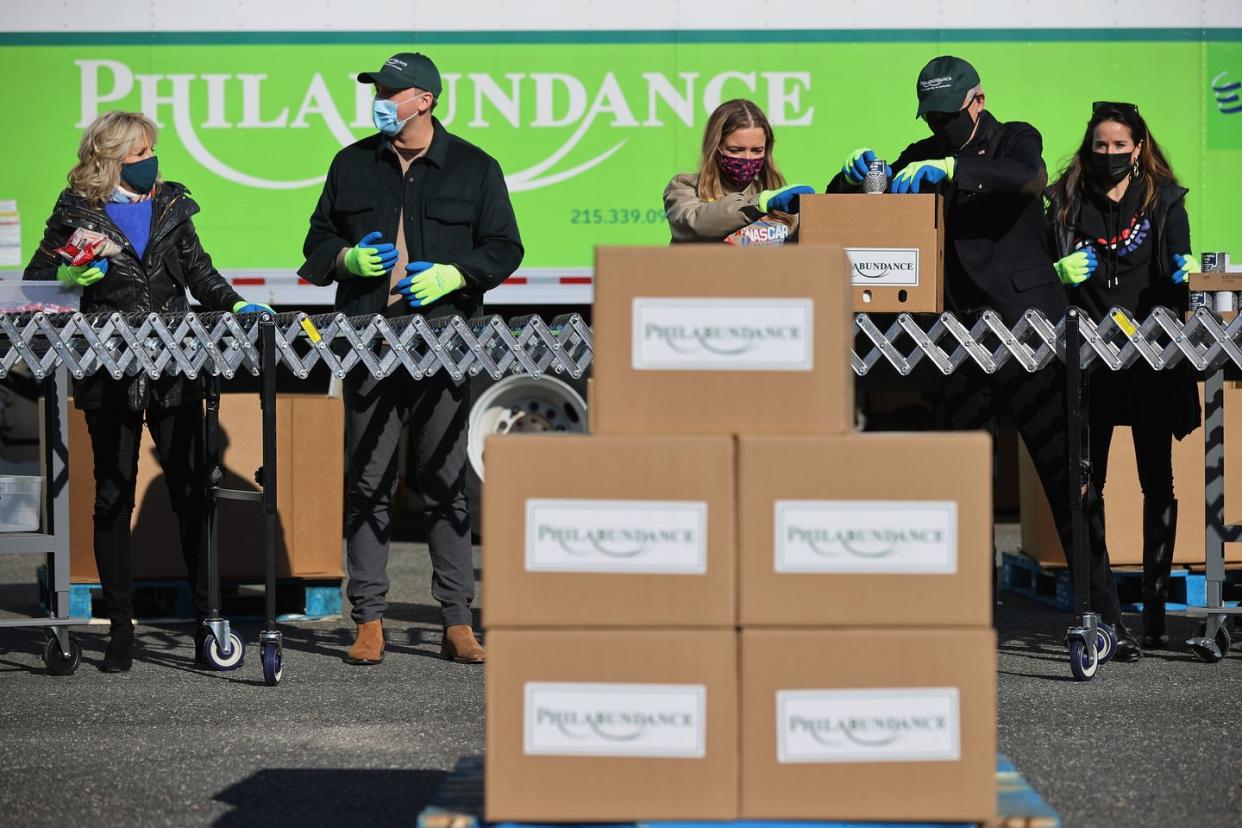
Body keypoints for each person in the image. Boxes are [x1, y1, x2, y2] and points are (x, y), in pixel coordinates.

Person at [828, 56, 1140, 661]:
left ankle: (1107, 618)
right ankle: (957, 615)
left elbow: (1023, 176)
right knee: (955, 482)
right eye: (932, 120)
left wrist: (954, 169)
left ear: (977, 100)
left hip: (1032, 334)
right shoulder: (921, 150)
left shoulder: (1014, 138)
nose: (940, 129)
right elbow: (862, 203)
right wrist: (852, 177)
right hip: (961, 339)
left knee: (1068, 482)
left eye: (949, 117)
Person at [23, 111, 272, 672]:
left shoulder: (172, 207)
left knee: (192, 491)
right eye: (139, 155)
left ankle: (209, 621)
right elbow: (34, 285)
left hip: (174, 367)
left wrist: (235, 303)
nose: (150, 163)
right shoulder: (74, 214)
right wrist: (68, 279)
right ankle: (119, 630)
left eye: (151, 151)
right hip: (109, 373)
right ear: (109, 159)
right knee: (113, 495)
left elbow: (200, 274)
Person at [299, 52, 522, 666]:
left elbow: (506, 247)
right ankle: (368, 619)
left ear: (424, 99)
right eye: (378, 91)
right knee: (367, 480)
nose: (380, 100)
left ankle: (457, 621)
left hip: (442, 344)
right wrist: (344, 261)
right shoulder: (352, 162)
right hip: (370, 341)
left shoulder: (474, 168)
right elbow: (316, 241)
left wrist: (457, 275)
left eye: (391, 92)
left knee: (444, 483)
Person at [1047, 102, 1200, 649]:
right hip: (1088, 359)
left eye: (1119, 145)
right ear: (1089, 146)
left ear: (1138, 147)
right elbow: (1039, 275)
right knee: (1089, 484)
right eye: (1100, 145)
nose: (1108, 154)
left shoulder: (1164, 201)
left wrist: (1185, 277)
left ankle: (1155, 611)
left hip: (1151, 358)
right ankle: (1104, 608)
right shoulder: (1064, 201)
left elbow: (1180, 270)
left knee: (1158, 480)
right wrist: (1056, 273)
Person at [664, 98, 814, 244]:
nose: (747, 158)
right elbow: (694, 225)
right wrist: (759, 204)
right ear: (715, 148)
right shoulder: (685, 187)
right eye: (736, 150)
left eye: (757, 150)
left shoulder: (780, 202)